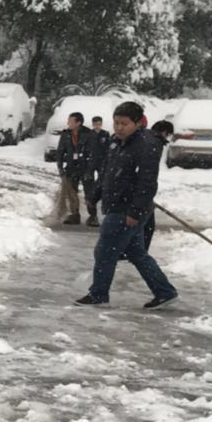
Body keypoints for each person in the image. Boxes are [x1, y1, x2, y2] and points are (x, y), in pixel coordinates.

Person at [76, 101, 178, 309]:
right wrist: (94, 195)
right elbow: (107, 172)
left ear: (138, 123)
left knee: (105, 251)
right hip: (117, 204)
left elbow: (147, 183)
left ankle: (98, 294)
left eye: (124, 123)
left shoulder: (146, 145)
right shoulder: (116, 142)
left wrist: (135, 212)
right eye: (116, 123)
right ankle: (164, 291)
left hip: (126, 208)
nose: (119, 127)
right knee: (135, 252)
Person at [54, 112, 95, 225]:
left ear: (78, 123)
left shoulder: (89, 134)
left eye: (70, 121)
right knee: (71, 191)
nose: (68, 123)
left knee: (90, 192)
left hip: (85, 166)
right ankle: (74, 214)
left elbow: (93, 153)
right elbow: (60, 151)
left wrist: (90, 169)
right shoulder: (66, 134)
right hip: (71, 166)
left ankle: (93, 215)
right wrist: (60, 166)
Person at [141, 120, 174, 253]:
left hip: (140, 189)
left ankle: (135, 251)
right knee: (146, 226)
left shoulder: (146, 138)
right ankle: (138, 252)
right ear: (164, 132)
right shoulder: (154, 143)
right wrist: (147, 192)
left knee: (145, 225)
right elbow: (149, 171)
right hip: (142, 190)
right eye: (168, 135)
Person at [87, 116, 112, 225]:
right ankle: (92, 213)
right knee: (89, 184)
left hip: (102, 161)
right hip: (91, 161)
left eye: (99, 124)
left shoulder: (105, 134)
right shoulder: (89, 134)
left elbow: (109, 148)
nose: (97, 126)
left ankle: (102, 206)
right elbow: (86, 147)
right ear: (93, 124)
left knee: (102, 183)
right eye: (95, 124)